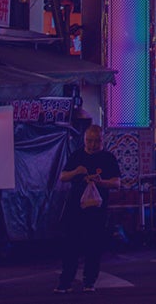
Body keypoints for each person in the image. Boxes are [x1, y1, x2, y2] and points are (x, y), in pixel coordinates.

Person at [54, 125, 121, 294]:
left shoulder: (108, 158)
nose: (92, 145)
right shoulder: (77, 155)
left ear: (102, 140)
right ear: (84, 140)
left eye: (96, 141)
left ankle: (89, 281)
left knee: (94, 247)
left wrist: (101, 182)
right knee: (71, 246)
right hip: (75, 210)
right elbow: (63, 176)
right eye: (89, 141)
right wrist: (77, 171)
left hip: (97, 210)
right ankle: (65, 281)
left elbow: (117, 183)